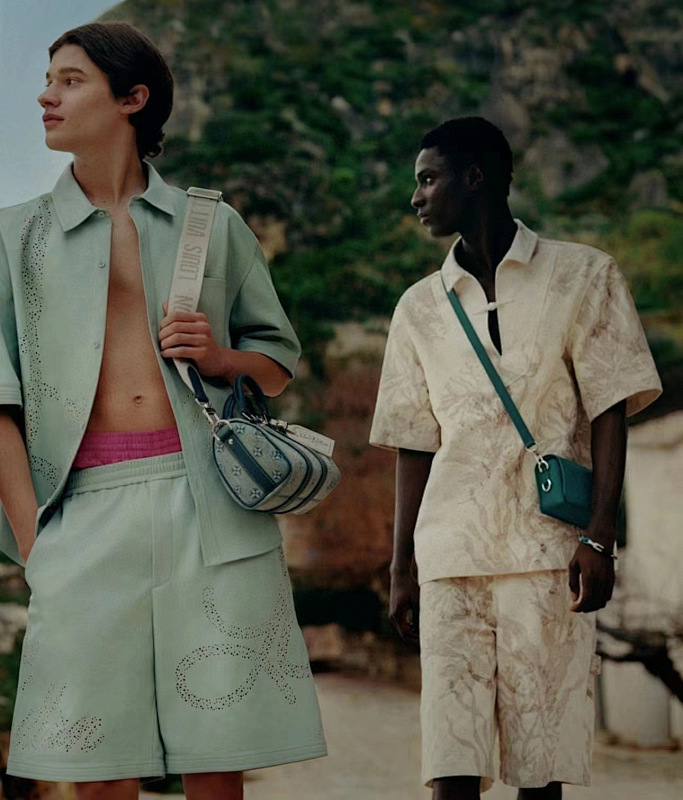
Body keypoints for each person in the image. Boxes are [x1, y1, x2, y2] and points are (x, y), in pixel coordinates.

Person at [0, 21, 325, 800]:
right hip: (80, 510)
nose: (46, 97)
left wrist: (219, 357)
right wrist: (35, 543)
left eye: (71, 80)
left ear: (132, 98)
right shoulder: (14, 236)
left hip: (209, 503)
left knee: (217, 757)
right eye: (47, 80)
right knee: (95, 767)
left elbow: (276, 363)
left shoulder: (210, 224)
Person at [370, 117, 662, 799]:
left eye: (427, 179)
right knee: (451, 762)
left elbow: (609, 408)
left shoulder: (583, 275)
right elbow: (414, 442)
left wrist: (600, 535)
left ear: (475, 177)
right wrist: (402, 567)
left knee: (540, 767)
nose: (415, 197)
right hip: (450, 557)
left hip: (549, 555)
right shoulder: (418, 308)